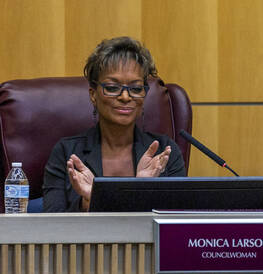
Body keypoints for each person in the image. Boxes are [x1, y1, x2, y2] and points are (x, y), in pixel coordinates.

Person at [42, 37, 185, 212]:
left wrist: (142, 189)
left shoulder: (165, 151)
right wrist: (88, 203)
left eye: (136, 88)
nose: (125, 97)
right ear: (93, 95)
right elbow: (51, 226)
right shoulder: (67, 153)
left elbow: (176, 226)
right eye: (112, 88)